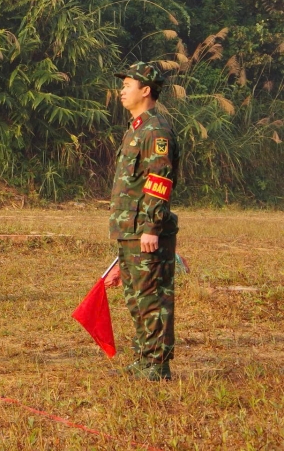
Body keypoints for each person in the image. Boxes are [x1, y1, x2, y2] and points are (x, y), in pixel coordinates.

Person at [101, 62, 179, 382]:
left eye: (127, 85)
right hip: (129, 228)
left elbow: (159, 181)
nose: (121, 90)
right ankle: (144, 358)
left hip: (146, 229)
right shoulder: (135, 130)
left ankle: (158, 364)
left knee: (152, 296)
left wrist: (151, 227)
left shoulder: (156, 131)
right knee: (136, 297)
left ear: (146, 90)